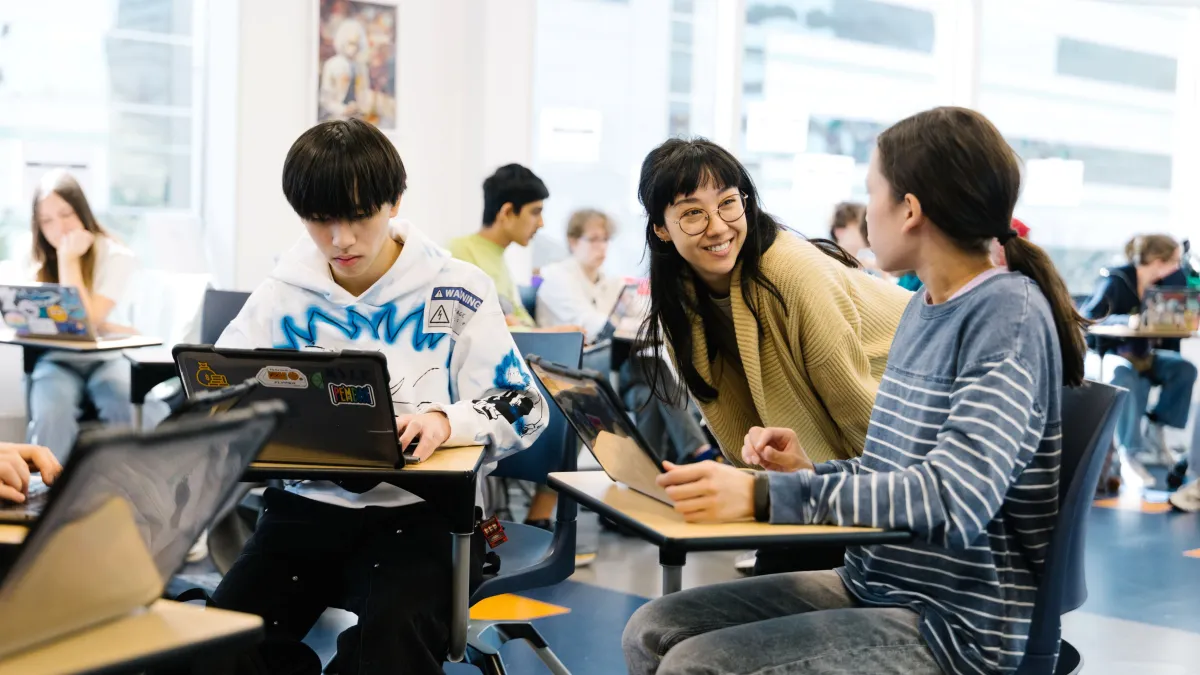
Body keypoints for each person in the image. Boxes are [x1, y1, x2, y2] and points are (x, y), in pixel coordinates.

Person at [624, 106, 1087, 675]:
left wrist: (765, 497)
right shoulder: (926, 307)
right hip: (877, 578)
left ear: (910, 210)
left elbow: (954, 498)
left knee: (696, 664)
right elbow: (889, 466)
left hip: (955, 623)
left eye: (873, 193)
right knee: (651, 630)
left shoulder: (1004, 316)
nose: (865, 212)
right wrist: (803, 472)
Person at [208, 119, 548, 674]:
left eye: (360, 217)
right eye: (320, 221)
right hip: (305, 511)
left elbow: (525, 406)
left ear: (394, 202)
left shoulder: (456, 287)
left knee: (386, 655)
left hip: (421, 517)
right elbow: (216, 394)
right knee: (216, 646)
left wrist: (446, 421)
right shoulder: (281, 293)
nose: (341, 240)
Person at [636, 138, 911, 574]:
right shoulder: (679, 301)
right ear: (661, 228)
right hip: (820, 484)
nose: (717, 226)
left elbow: (866, 425)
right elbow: (739, 434)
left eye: (729, 203)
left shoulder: (792, 273)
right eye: (692, 212)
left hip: (885, 474)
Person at [536, 208, 715, 465]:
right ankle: (698, 452)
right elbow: (598, 327)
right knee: (655, 369)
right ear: (573, 241)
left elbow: (640, 321)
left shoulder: (611, 282)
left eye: (606, 239)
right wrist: (629, 325)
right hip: (574, 372)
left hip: (613, 373)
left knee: (650, 393)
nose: (602, 246)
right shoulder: (557, 278)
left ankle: (648, 477)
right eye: (594, 239)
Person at [25, 171, 137, 461]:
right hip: (58, 358)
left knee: (120, 401)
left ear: (82, 212)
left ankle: (128, 488)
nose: (58, 228)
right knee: (51, 412)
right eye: (46, 221)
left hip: (108, 358)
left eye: (66, 214)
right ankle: (52, 494)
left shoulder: (115, 255)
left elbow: (81, 322)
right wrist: (107, 325)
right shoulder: (35, 258)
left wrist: (68, 258)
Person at [1080, 234, 1196, 485]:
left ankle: (1156, 430)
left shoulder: (1163, 287)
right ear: (1157, 260)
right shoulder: (1115, 280)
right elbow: (1087, 319)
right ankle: (1129, 455)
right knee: (1124, 374)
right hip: (1107, 354)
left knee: (1184, 369)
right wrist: (1126, 321)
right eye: (1174, 261)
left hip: (1144, 354)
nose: (1177, 266)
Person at [449, 164, 548, 328]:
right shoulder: (459, 252)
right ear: (507, 212)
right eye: (535, 212)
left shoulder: (499, 257)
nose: (541, 223)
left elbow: (521, 323)